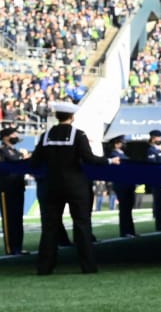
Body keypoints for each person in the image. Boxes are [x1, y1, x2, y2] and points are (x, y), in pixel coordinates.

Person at [27, 102, 113, 275]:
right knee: (81, 225)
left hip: (51, 186)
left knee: (49, 227)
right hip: (75, 186)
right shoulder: (78, 135)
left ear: (57, 116)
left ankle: (45, 267)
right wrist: (109, 161)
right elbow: (90, 159)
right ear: (72, 117)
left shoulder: (46, 136)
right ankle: (87, 266)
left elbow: (34, 161)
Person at [0, 124, 28, 255]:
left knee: (18, 219)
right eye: (13, 134)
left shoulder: (16, 151)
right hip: (7, 189)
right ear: (5, 137)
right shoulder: (2, 151)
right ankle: (11, 247)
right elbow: (13, 162)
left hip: (18, 188)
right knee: (9, 219)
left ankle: (18, 245)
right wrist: (24, 157)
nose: (16, 136)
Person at [107, 134, 138, 238]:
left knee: (128, 209)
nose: (123, 144)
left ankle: (131, 230)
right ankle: (125, 231)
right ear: (116, 144)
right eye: (121, 142)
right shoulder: (114, 155)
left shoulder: (122, 154)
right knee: (124, 209)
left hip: (128, 184)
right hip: (121, 184)